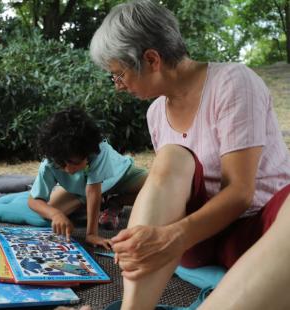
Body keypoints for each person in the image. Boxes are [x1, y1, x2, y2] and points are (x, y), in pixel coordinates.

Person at [87, 0, 290, 309]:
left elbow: (240, 193)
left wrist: (173, 238)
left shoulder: (233, 82)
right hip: (201, 237)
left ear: (152, 59)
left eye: (119, 74)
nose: (118, 86)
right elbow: (170, 186)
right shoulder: (156, 113)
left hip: (259, 229)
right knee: (171, 157)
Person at [28, 107, 147, 249]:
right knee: (51, 210)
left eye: (75, 163)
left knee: (156, 187)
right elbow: (34, 200)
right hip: (84, 191)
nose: (69, 170)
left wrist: (91, 234)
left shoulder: (99, 149)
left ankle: (115, 202)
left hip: (120, 177)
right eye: (62, 165)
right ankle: (100, 203)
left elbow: (93, 191)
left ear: (88, 151)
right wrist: (55, 214)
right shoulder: (49, 163)